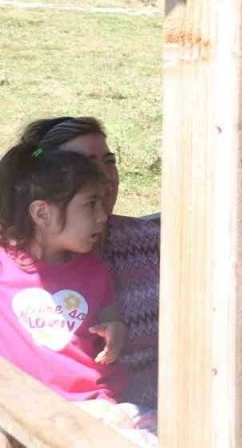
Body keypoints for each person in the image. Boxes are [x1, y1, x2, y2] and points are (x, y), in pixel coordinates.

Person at [0, 140, 153, 440]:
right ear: (42, 214)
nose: (102, 216)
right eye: (90, 205)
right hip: (29, 410)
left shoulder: (93, 270)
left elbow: (112, 316)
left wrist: (116, 330)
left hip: (94, 403)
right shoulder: (4, 266)